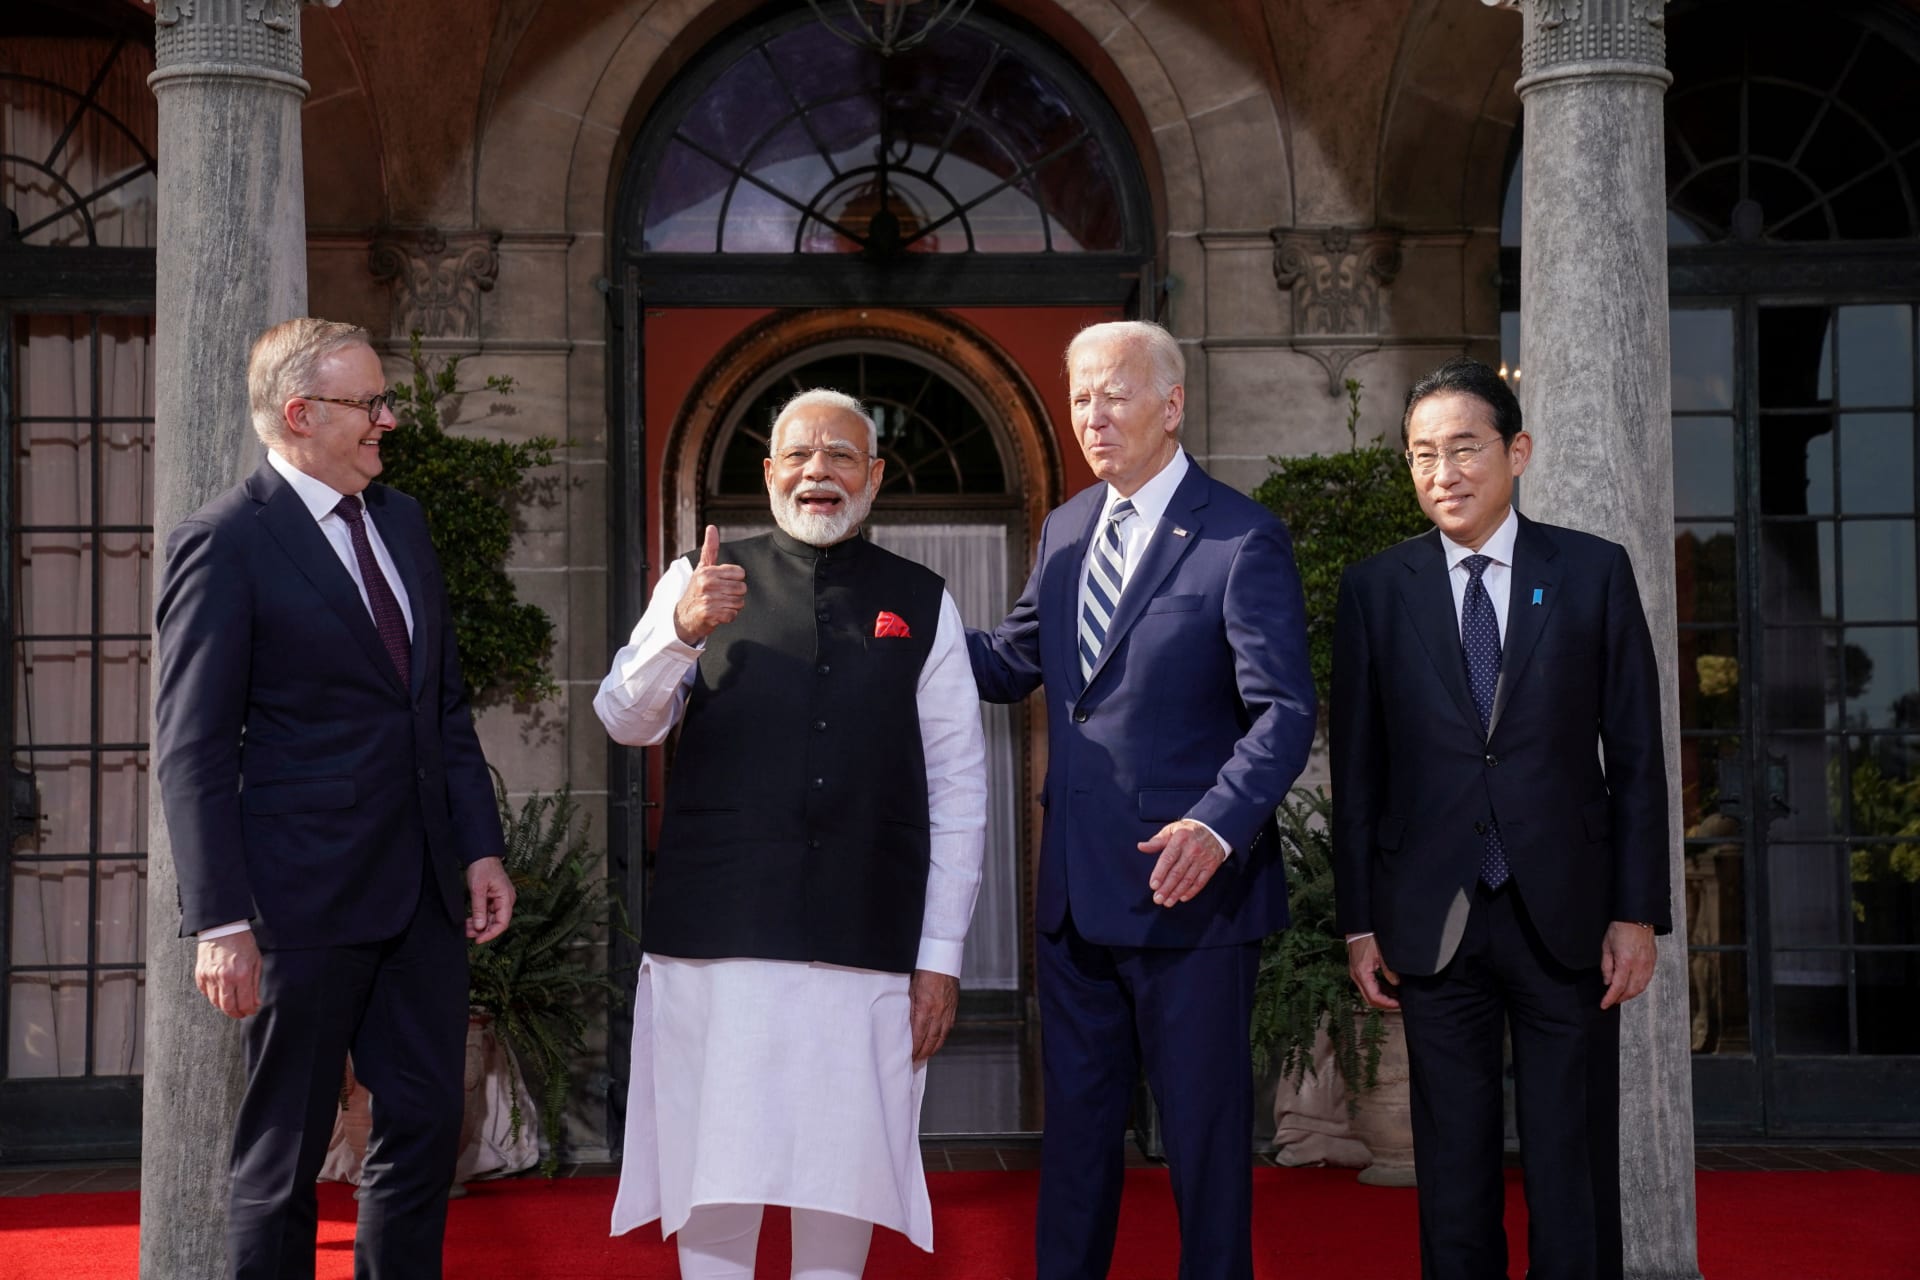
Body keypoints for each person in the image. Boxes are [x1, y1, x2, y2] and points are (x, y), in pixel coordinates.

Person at [595, 388, 987, 1280]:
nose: (820, 472)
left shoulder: (922, 601)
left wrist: (941, 957)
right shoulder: (692, 584)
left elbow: (961, 788)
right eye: (801, 456)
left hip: (864, 944)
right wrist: (682, 633)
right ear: (770, 474)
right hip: (716, 945)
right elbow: (624, 719)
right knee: (717, 1180)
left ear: (875, 477)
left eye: (842, 456)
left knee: (837, 1184)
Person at [153, 317, 514, 1280]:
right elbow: (190, 749)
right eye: (370, 404)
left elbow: (438, 705)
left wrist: (478, 848)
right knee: (283, 1155)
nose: (388, 420)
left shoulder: (402, 523)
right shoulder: (225, 542)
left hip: (426, 896)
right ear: (300, 414)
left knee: (427, 1129)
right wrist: (220, 921)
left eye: (385, 401)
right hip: (299, 904)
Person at [968, 320, 1315, 1280]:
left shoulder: (1242, 535)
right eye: (1079, 396)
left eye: (1112, 393)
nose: (1091, 415)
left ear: (1171, 405)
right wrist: (896, 625)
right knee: (1075, 1150)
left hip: (1191, 896)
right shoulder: (1068, 527)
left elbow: (1285, 710)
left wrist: (1217, 823)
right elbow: (1008, 662)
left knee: (1205, 1154)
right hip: (1075, 899)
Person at [1331, 356, 1670, 1280]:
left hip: (1566, 915)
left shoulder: (1592, 573)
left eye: (1464, 448)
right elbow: (1358, 774)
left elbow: (1637, 758)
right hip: (1431, 922)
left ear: (1515, 451)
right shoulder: (1375, 591)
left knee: (1572, 1162)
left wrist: (1636, 912)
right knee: (1452, 1166)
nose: (1443, 473)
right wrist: (1360, 920)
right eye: (1421, 455)